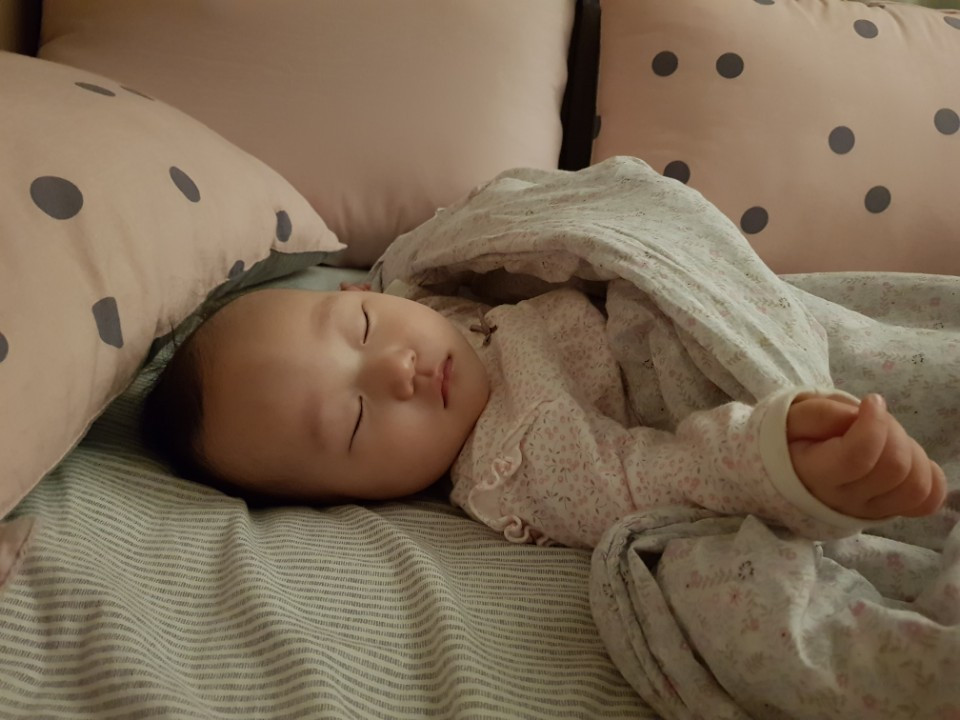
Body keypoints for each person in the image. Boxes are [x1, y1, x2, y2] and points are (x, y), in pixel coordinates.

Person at [141, 281, 946, 548]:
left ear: (365, 290)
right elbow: (648, 480)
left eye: (360, 325)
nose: (395, 368)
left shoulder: (441, 291)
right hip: (757, 394)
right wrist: (777, 455)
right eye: (353, 421)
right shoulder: (513, 460)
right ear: (358, 498)